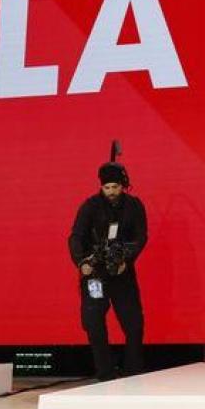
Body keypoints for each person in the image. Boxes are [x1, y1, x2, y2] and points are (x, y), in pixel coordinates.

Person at [67, 160, 148, 381]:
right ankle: (105, 372)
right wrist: (81, 262)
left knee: (133, 322)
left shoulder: (134, 206)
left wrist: (127, 260)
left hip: (122, 272)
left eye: (115, 187)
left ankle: (133, 370)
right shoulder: (90, 206)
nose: (111, 192)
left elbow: (140, 237)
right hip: (95, 274)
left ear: (123, 186)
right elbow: (75, 237)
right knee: (93, 321)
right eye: (107, 188)